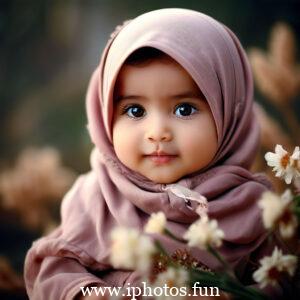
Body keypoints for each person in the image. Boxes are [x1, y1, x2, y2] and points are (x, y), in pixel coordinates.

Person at [24, 8, 275, 300]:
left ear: (230, 111)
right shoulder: (96, 198)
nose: (157, 132)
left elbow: (281, 282)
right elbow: (53, 270)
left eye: (184, 109)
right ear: (106, 116)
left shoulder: (254, 209)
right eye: (135, 110)